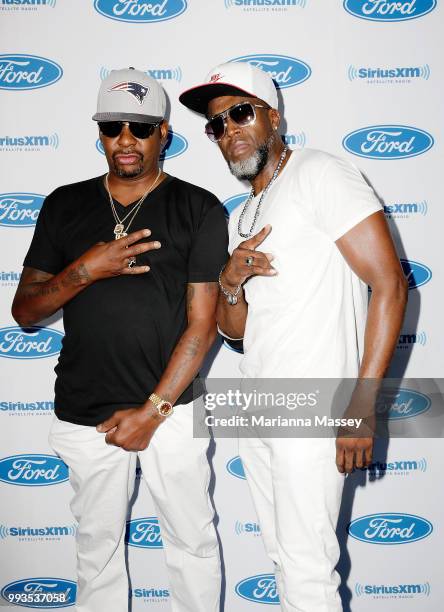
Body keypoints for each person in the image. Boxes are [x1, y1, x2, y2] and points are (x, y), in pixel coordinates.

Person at [179, 62, 408, 611]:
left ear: (273, 117)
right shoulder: (247, 212)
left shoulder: (321, 173)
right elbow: (236, 334)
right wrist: (230, 283)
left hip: (315, 404)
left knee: (307, 567)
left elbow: (391, 286)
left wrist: (360, 406)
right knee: (283, 557)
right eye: (216, 124)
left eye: (239, 113)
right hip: (262, 404)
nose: (228, 130)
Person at [12, 67, 228, 612]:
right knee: (96, 552)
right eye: (113, 126)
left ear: (165, 136)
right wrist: (88, 268)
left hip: (172, 410)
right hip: (85, 410)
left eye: (140, 126)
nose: (125, 139)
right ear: (100, 135)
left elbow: (203, 325)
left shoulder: (199, 208)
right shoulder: (63, 204)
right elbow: (25, 312)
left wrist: (154, 411)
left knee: (192, 543)